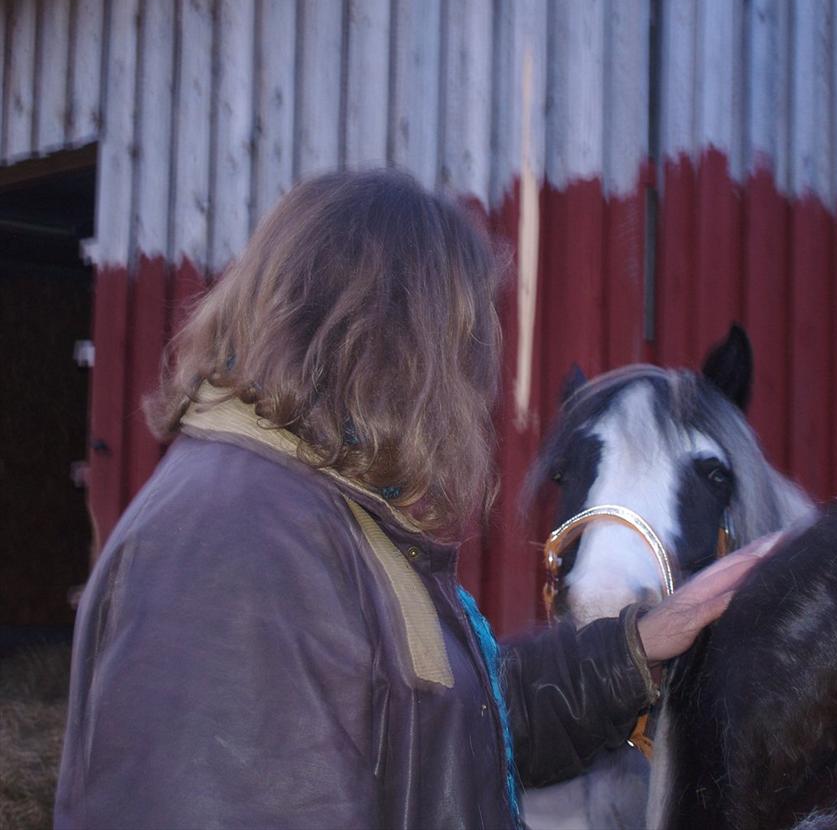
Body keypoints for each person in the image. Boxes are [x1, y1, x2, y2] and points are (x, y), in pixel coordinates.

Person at [55, 169, 777, 829]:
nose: (475, 385)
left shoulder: (317, 507)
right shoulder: (239, 548)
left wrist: (639, 644)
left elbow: (445, 735)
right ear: (394, 345)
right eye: (462, 342)